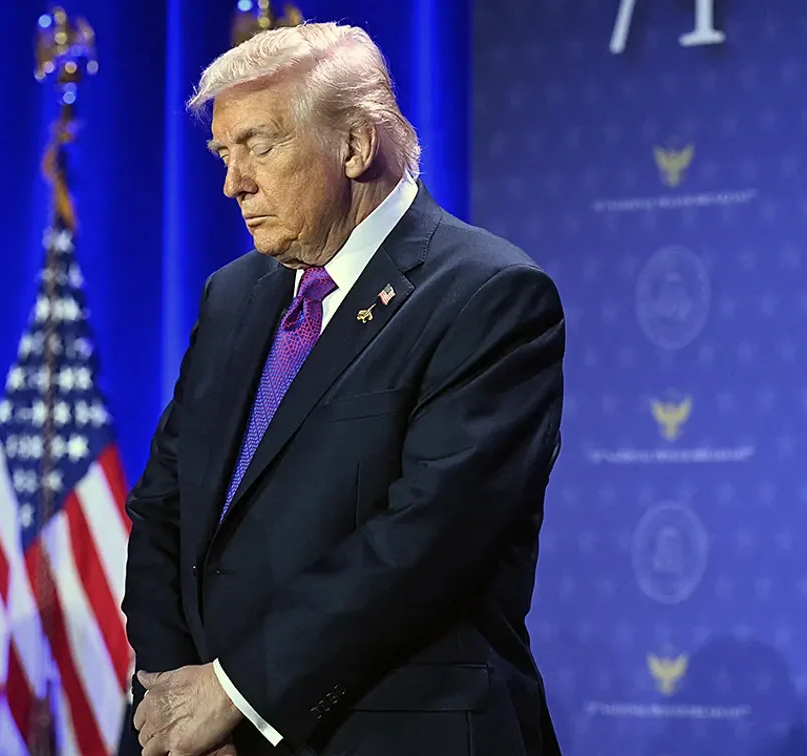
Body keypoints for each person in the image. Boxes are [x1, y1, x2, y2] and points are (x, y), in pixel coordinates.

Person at [123, 21, 564, 756]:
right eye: (223, 155)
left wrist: (234, 693)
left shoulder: (489, 295)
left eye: (258, 145)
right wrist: (178, 695)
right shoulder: (233, 296)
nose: (233, 183)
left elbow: (426, 543)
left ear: (355, 145)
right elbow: (165, 506)